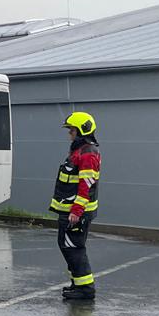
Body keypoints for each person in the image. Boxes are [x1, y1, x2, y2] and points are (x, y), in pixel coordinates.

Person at [54, 111, 103, 301]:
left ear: (82, 130)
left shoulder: (87, 153)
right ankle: (78, 284)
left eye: (72, 130)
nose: (69, 134)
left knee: (73, 247)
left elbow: (86, 185)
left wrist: (76, 211)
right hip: (72, 209)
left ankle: (85, 289)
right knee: (68, 246)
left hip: (77, 212)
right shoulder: (80, 150)